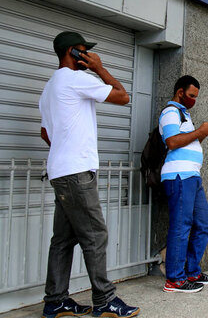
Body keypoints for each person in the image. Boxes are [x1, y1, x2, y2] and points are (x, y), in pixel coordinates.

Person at [39, 31, 139, 317]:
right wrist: (99, 68)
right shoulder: (77, 79)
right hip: (77, 172)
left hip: (59, 171)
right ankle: (105, 300)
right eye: (84, 51)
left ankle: (55, 300)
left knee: (63, 239)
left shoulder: (48, 89)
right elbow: (123, 96)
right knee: (96, 235)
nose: (88, 55)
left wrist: (64, 146)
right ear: (73, 52)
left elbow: (46, 133)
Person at [159, 76, 208, 293]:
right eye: (191, 95)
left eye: (196, 97)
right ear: (180, 92)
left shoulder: (184, 114)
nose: (194, 100)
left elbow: (186, 141)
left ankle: (192, 271)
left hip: (192, 176)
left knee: (204, 222)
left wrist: (200, 135)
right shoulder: (170, 112)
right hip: (179, 176)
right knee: (181, 227)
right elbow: (172, 142)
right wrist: (199, 132)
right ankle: (174, 279)